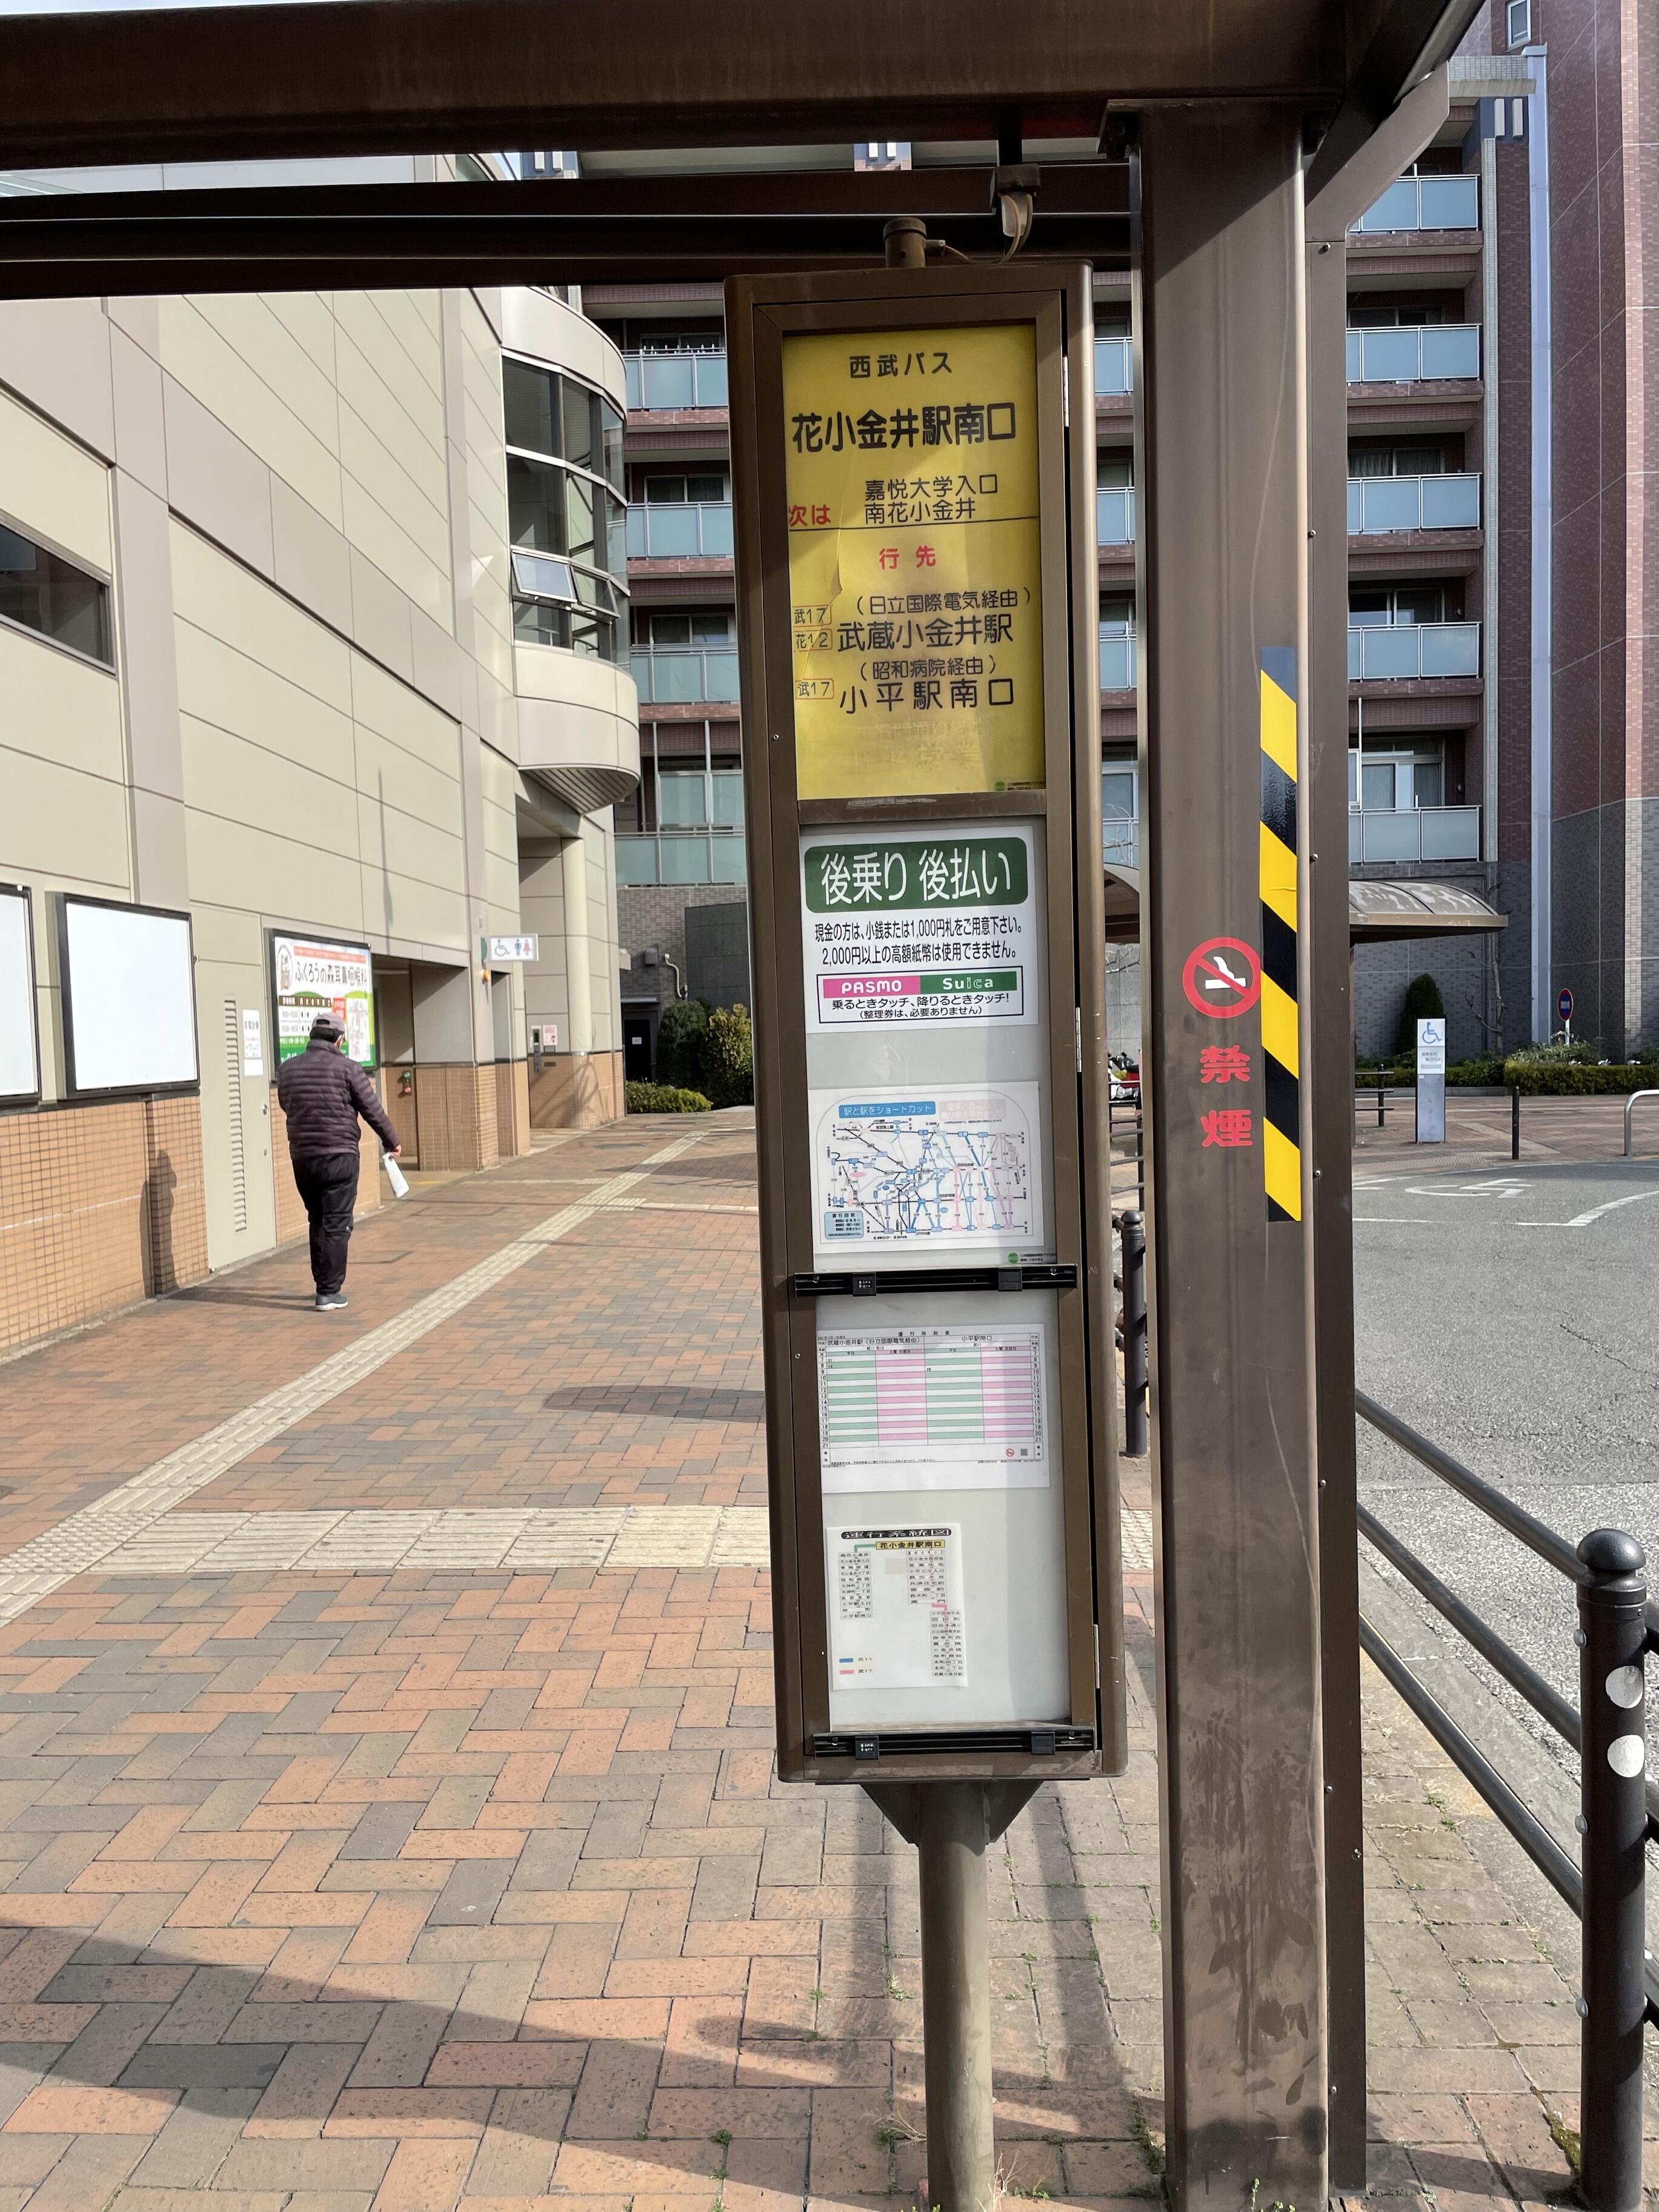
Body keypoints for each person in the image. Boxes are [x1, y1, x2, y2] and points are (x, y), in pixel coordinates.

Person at [274, 1013, 401, 1310]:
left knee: (317, 1218)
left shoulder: (288, 1070)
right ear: (339, 1040)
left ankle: (323, 1285)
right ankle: (329, 1292)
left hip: (303, 1157)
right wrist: (391, 1140)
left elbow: (286, 1104)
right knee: (337, 1222)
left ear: (312, 1037)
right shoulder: (348, 1069)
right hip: (340, 1156)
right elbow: (372, 1109)